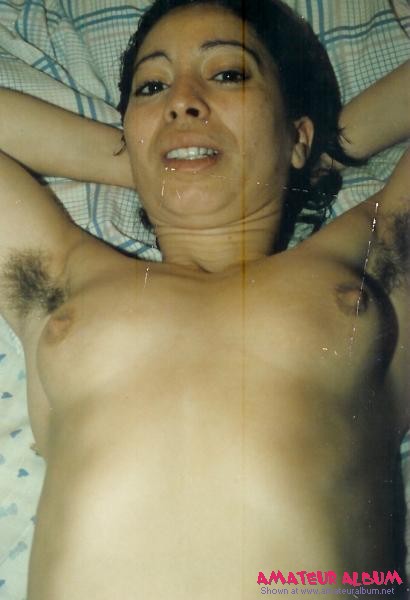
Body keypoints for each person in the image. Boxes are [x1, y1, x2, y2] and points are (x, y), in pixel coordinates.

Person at [0, 0, 408, 597]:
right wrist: (142, 158)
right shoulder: (61, 278)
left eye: (228, 73)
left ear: (296, 134)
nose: (182, 101)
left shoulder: (372, 262)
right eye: (152, 87)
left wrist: (326, 149)